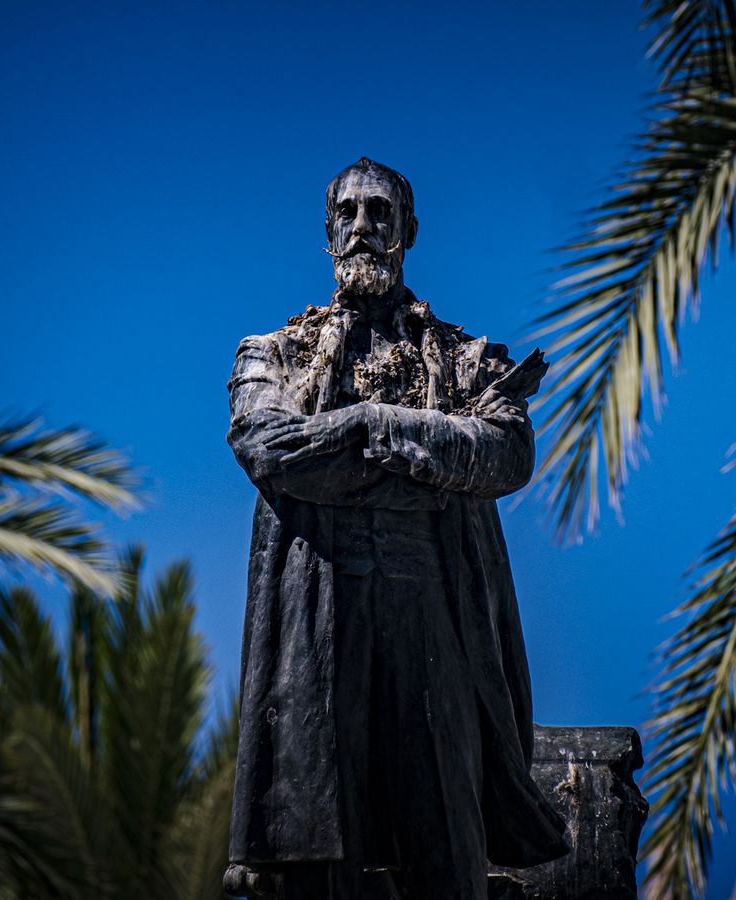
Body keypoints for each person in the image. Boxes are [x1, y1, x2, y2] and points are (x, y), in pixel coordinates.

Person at [223, 158, 567, 900]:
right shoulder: (271, 353)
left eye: (380, 214)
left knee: (447, 835)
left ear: (408, 232)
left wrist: (374, 428)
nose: (362, 229)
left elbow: (506, 453)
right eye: (347, 214)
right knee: (317, 842)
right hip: (317, 620)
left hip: (434, 618)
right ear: (327, 235)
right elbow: (267, 448)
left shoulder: (468, 360)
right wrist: (430, 463)